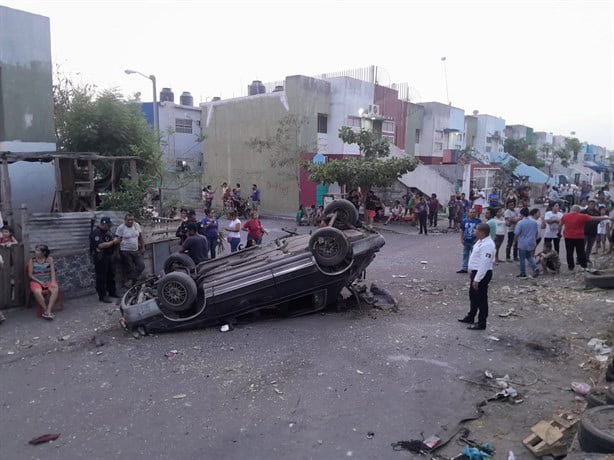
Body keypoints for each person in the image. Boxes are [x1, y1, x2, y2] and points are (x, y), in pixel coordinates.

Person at [457, 223, 495, 331]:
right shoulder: (480, 241)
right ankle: (471, 316)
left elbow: (484, 263)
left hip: (482, 273)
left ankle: (481, 322)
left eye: (476, 230)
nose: (474, 231)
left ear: (482, 232)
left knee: (481, 299)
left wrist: (477, 279)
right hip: (476, 272)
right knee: (473, 296)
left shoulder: (487, 245)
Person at [559, 205, 612, 271]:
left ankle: (571, 266)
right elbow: (595, 218)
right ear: (578, 210)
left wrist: (559, 233)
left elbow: (560, 225)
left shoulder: (565, 216)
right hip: (579, 237)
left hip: (568, 237)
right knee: (581, 252)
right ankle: (583, 266)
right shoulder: (582, 216)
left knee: (569, 252)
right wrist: (608, 218)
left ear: (572, 210)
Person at [90, 216, 120, 303]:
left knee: (111, 275)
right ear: (104, 224)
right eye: (109, 225)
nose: (110, 227)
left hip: (108, 256)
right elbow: (101, 245)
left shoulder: (107, 232)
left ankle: (112, 292)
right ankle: (102, 296)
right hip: (100, 257)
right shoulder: (96, 233)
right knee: (101, 277)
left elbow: (110, 241)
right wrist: (113, 242)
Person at [27, 244, 59, 320]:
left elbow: (52, 272)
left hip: (48, 280)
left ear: (43, 252)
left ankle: (49, 310)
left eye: (38, 250)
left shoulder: (49, 259)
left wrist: (53, 282)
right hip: (36, 281)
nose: (35, 251)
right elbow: (30, 275)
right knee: (37, 292)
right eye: (36, 250)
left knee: (55, 290)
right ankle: (45, 310)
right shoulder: (32, 260)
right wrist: (40, 282)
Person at [115, 213, 145, 288]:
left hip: (136, 250)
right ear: (125, 220)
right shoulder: (121, 228)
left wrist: (143, 247)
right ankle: (133, 284)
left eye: (132, 219)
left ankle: (131, 281)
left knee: (141, 265)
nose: (130, 221)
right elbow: (117, 241)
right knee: (130, 268)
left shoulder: (136, 225)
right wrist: (117, 252)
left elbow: (140, 237)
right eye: (128, 220)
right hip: (125, 251)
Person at [514, 208, 540, 278]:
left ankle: (523, 273)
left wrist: (514, 241)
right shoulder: (534, 222)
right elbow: (536, 233)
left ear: (522, 214)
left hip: (523, 242)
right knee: (529, 256)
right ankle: (535, 268)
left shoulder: (520, 223)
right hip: (532, 242)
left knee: (522, 258)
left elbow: (516, 233)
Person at [457, 208, 481, 274]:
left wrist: (477, 239)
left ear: (476, 213)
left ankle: (475, 268)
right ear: (468, 213)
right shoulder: (464, 221)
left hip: (474, 241)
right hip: (466, 241)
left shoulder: (478, 221)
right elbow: (462, 230)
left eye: (474, 212)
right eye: (471, 212)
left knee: (475, 255)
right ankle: (464, 268)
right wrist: (461, 239)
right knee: (465, 255)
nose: (472, 213)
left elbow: (480, 231)